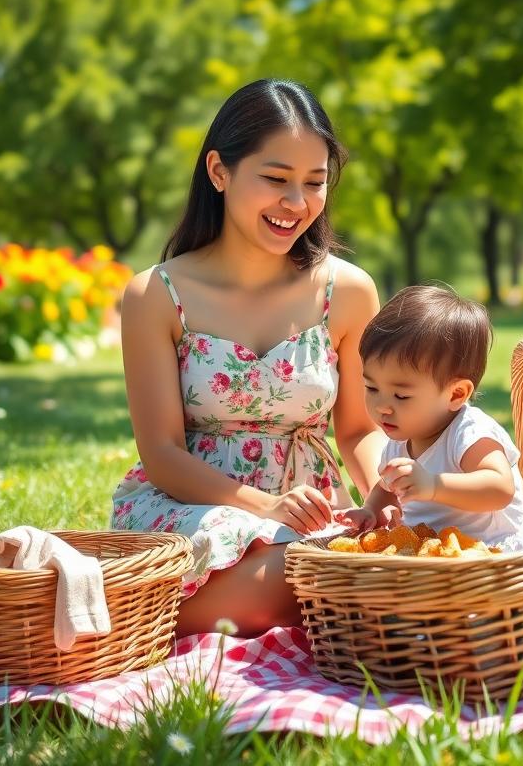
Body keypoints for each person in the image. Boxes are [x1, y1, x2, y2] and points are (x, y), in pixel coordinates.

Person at [109, 79, 386, 637]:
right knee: (312, 569)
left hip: (310, 514)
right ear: (219, 172)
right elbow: (161, 453)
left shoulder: (349, 292)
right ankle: (128, 619)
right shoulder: (156, 295)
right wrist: (265, 507)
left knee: (335, 559)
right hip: (192, 508)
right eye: (276, 179)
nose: (296, 203)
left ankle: (155, 621)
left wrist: (391, 492)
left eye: (315, 183)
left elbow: (357, 429)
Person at [337, 285, 523, 551]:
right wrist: (370, 509)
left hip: (487, 554)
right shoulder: (399, 440)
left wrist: (433, 485)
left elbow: (499, 488)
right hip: (432, 555)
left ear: (456, 394)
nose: (383, 407)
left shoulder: (469, 432)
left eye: (401, 396)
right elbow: (387, 486)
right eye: (372, 388)